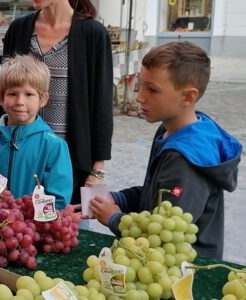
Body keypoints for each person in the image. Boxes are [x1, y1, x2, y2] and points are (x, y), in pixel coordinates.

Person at [89, 42, 242, 259]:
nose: (139, 97)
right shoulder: (167, 131)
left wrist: (115, 218)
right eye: (140, 86)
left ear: (188, 97)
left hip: (186, 271)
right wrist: (118, 199)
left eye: (151, 89)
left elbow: (164, 236)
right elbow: (155, 195)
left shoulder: (185, 160)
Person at [2, 0, 113, 205]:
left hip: (71, 164)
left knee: (64, 231)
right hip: (21, 161)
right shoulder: (18, 29)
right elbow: (2, 90)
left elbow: (102, 103)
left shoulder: (93, 33)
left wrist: (98, 168)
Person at [0, 55, 72, 207]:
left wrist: (24, 215)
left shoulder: (54, 146)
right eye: (13, 94)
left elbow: (58, 200)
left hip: (29, 227)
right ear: (1, 98)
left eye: (29, 94)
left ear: (43, 99)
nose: (20, 101)